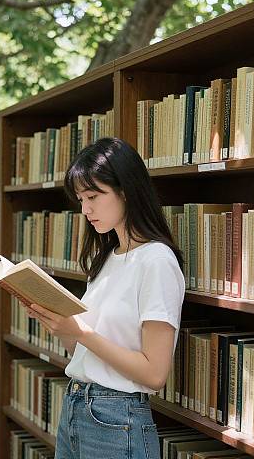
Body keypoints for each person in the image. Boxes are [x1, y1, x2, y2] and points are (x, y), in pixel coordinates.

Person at [24, 137, 185, 459]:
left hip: (116, 418)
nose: (85, 209)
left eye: (94, 196)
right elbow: (88, 352)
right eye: (81, 199)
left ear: (126, 190)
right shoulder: (107, 257)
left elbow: (155, 373)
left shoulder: (156, 261)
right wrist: (60, 326)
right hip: (76, 405)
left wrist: (81, 332)